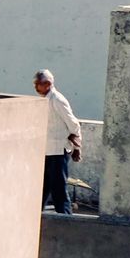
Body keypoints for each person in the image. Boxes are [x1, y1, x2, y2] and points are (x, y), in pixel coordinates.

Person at [35, 70, 83, 212]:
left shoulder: (57, 99)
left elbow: (73, 123)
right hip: (47, 150)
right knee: (43, 187)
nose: (35, 87)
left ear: (47, 84)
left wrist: (77, 147)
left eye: (38, 84)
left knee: (58, 189)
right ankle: (37, 216)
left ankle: (66, 218)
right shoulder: (46, 99)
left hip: (58, 150)